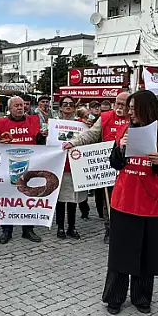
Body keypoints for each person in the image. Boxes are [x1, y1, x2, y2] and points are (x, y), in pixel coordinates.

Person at [103, 90, 158, 314]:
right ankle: (115, 298)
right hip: (125, 199)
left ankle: (142, 297)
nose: (129, 113)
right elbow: (115, 164)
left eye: (133, 108)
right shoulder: (124, 130)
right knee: (121, 252)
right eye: (128, 108)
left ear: (147, 108)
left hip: (154, 203)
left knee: (146, 253)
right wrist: (120, 150)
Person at [64, 90, 131, 243]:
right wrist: (73, 142)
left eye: (123, 104)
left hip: (128, 168)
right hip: (108, 167)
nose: (119, 107)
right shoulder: (106, 117)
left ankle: (125, 230)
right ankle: (109, 230)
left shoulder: (135, 119)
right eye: (117, 103)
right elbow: (91, 134)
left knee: (126, 201)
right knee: (110, 201)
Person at [0, 96, 46, 244]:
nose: (20, 108)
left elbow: (40, 143)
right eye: (16, 106)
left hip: (30, 166)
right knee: (8, 199)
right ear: (9, 109)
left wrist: (42, 136)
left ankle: (28, 230)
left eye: (21, 105)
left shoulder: (33, 120)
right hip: (8, 168)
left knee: (28, 198)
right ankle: (6, 231)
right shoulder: (0, 123)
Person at [54, 97, 88, 239]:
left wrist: (89, 127)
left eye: (71, 104)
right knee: (60, 200)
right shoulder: (53, 123)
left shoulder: (82, 124)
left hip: (75, 166)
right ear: (60, 107)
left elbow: (90, 138)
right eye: (65, 104)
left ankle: (71, 227)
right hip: (59, 167)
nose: (68, 106)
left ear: (75, 108)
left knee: (73, 200)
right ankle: (60, 227)